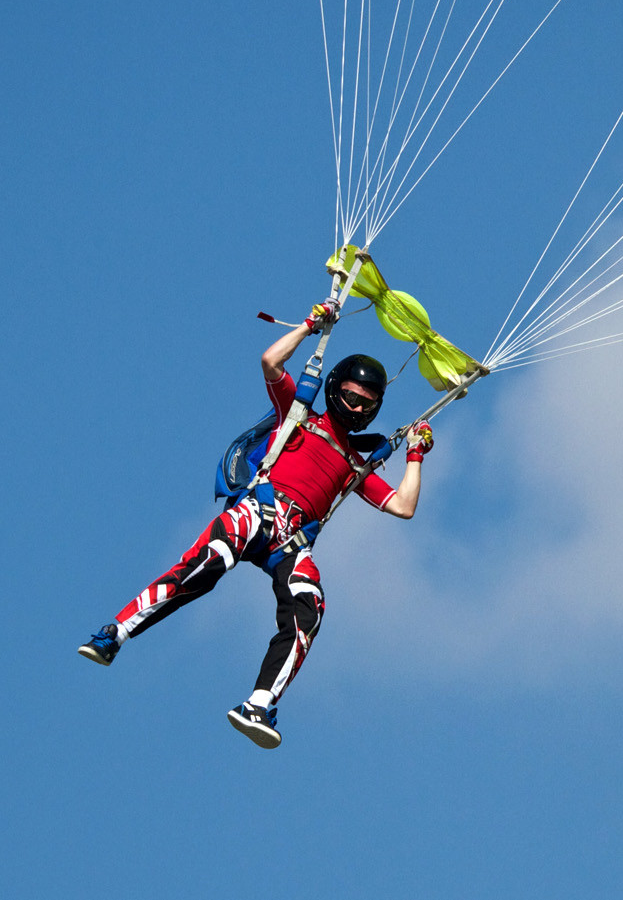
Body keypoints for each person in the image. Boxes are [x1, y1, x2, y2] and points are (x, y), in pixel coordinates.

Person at [77, 301, 434, 749]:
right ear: (333, 389)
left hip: (292, 543)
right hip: (257, 511)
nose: (357, 407)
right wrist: (310, 326)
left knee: (310, 607)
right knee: (207, 563)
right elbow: (271, 362)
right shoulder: (298, 416)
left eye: (367, 403)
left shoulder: (355, 464)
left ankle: (258, 705)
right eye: (351, 396)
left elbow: (403, 506)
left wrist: (415, 455)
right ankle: (116, 632)